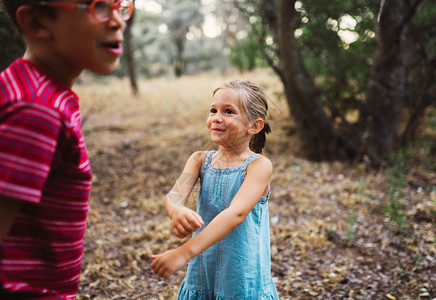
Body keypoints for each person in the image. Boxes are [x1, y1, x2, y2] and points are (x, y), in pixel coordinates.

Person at [0, 0, 133, 298]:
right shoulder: (35, 110)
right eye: (98, 6)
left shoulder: (37, 90)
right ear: (37, 23)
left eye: (120, 5)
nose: (117, 21)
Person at [151, 79, 279, 299]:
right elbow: (174, 197)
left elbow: (235, 214)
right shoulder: (199, 160)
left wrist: (184, 253)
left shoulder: (259, 166)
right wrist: (177, 212)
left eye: (228, 111)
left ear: (254, 126)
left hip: (240, 278)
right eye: (213, 110)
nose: (216, 118)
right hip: (203, 272)